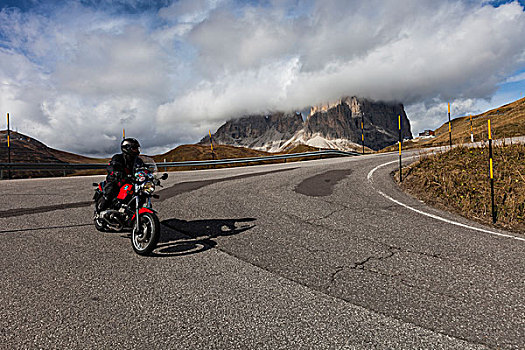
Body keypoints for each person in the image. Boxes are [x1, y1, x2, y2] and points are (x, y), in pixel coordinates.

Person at [97, 138, 142, 213]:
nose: (136, 150)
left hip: (131, 181)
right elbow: (112, 166)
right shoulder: (118, 157)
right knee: (110, 190)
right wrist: (116, 172)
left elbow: (144, 168)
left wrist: (150, 174)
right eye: (134, 148)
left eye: (137, 148)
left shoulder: (138, 160)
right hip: (117, 180)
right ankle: (100, 210)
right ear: (126, 148)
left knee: (142, 191)